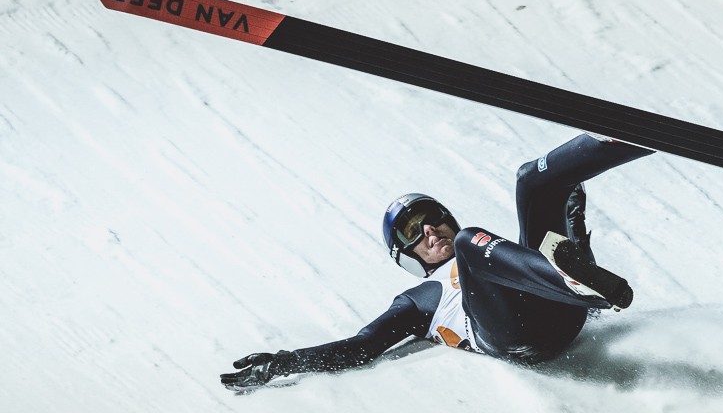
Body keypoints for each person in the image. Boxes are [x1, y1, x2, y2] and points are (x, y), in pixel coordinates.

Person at [221, 133, 653, 390]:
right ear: (405, 256)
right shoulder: (417, 299)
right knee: (470, 244)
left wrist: (571, 224)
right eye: (413, 231)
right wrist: (285, 362)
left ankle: (629, 136)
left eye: (433, 218)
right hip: (518, 338)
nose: (430, 230)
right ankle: (572, 282)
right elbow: (360, 346)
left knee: (531, 181)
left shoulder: (494, 255)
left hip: (558, 305)